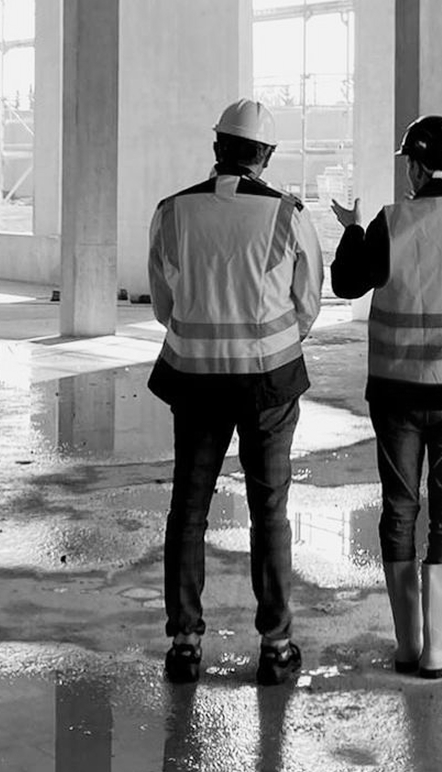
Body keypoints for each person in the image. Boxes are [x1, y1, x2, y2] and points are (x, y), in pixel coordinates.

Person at [147, 98, 323, 687]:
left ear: (217, 146)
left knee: (188, 511)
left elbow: (164, 306)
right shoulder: (286, 213)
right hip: (268, 380)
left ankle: (185, 644)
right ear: (265, 156)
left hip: (194, 378)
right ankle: (275, 646)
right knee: (269, 509)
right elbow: (307, 304)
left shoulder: (172, 212)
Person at [330, 115, 442, 679]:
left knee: (400, 511)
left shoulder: (390, 223)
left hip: (398, 395)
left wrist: (354, 230)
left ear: (416, 166)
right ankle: (441, 645)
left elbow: (347, 284)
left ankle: (408, 644)